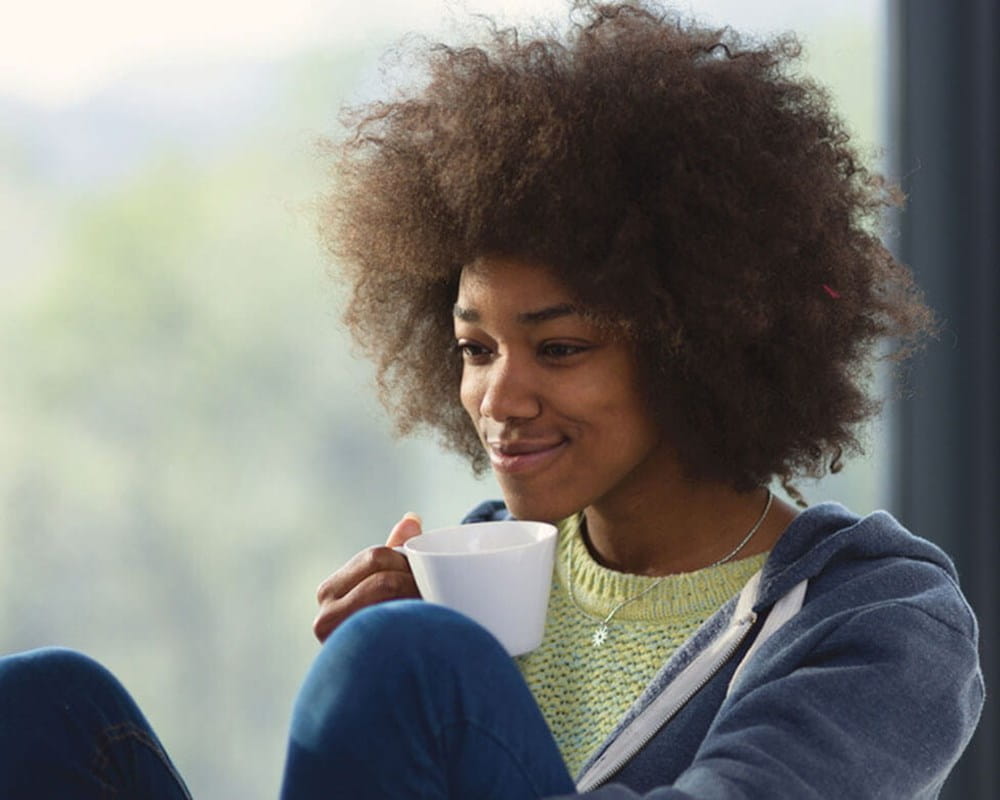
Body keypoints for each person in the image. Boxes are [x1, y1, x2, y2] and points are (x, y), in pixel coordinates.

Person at [0, 2, 984, 798]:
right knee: (41, 705)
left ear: (705, 342)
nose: (495, 394)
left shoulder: (876, 611)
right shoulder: (476, 577)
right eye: (474, 347)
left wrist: (417, 677)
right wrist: (375, 713)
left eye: (558, 346)